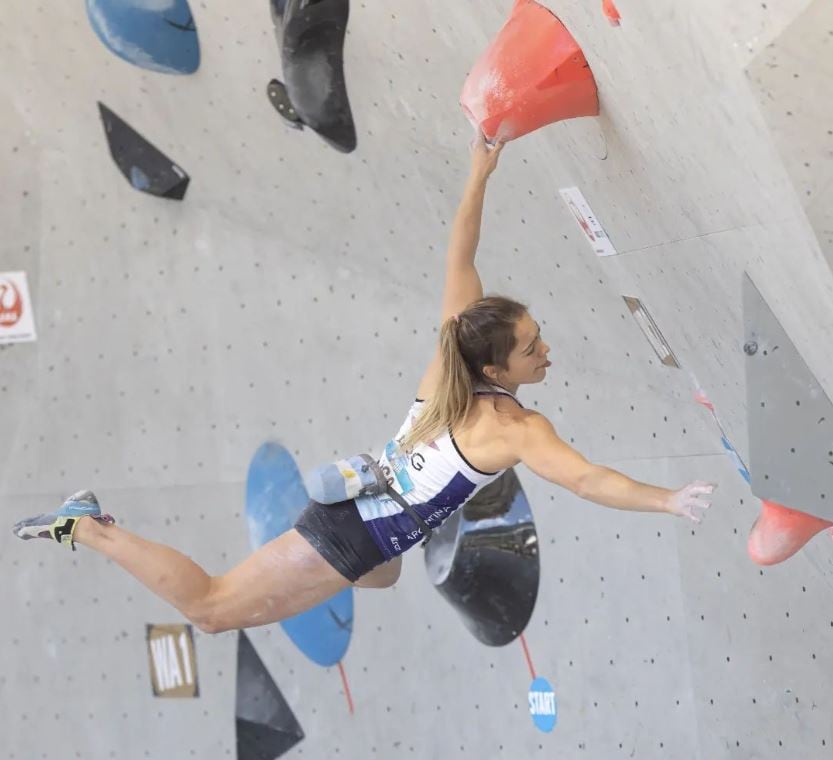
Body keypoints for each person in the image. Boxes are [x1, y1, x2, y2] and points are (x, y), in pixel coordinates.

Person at [12, 131, 715, 634]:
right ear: (495, 370)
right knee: (212, 611)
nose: (546, 354)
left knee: (387, 571)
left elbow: (459, 253)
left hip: (369, 520)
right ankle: (91, 526)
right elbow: (588, 481)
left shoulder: (452, 353)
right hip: (351, 535)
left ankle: (356, 525)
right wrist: (666, 500)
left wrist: (479, 173)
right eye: (531, 349)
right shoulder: (513, 429)